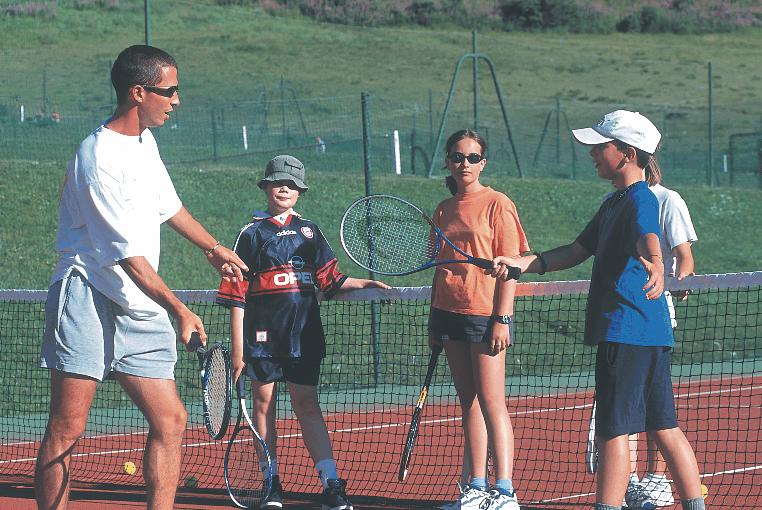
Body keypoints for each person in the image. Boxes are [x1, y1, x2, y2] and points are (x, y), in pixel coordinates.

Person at [35, 45, 248, 510]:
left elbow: (166, 205)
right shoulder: (97, 159)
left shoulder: (144, 143)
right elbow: (128, 257)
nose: (177, 100)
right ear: (138, 92)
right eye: (169, 91)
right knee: (68, 427)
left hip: (140, 300)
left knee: (170, 419)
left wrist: (213, 249)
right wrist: (180, 310)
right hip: (88, 293)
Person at [490, 110, 706, 510]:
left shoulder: (638, 199)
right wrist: (524, 262)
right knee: (664, 426)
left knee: (613, 430)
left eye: (600, 145)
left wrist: (657, 262)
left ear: (625, 153)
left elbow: (648, 238)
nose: (591, 152)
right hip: (649, 332)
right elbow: (575, 251)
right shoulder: (614, 203)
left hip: (625, 330)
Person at [215, 155, 390, 510]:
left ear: (301, 192)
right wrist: (238, 351)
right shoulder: (251, 234)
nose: (284, 188)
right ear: (265, 187)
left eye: (292, 185)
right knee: (263, 406)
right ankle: (270, 481)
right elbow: (236, 295)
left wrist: (365, 282)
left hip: (304, 336)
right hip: (262, 338)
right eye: (278, 182)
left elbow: (330, 282)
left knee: (307, 405)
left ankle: (330, 483)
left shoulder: (310, 232)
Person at [429, 130, 529, 510]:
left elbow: (512, 268)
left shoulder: (498, 204)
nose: (464, 164)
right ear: (448, 161)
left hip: (486, 315)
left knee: (491, 401)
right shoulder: (443, 208)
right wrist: (433, 324)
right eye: (457, 157)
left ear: (483, 163)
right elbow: (441, 268)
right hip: (448, 314)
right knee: (467, 402)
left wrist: (502, 318)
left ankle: (504, 491)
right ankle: (475, 487)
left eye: (472, 158)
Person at [626, 158, 698, 508]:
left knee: (656, 407)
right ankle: (627, 481)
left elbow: (684, 256)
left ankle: (656, 479)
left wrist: (677, 281)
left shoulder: (668, 200)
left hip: (656, 317)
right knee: (625, 408)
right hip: (622, 318)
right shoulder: (620, 202)